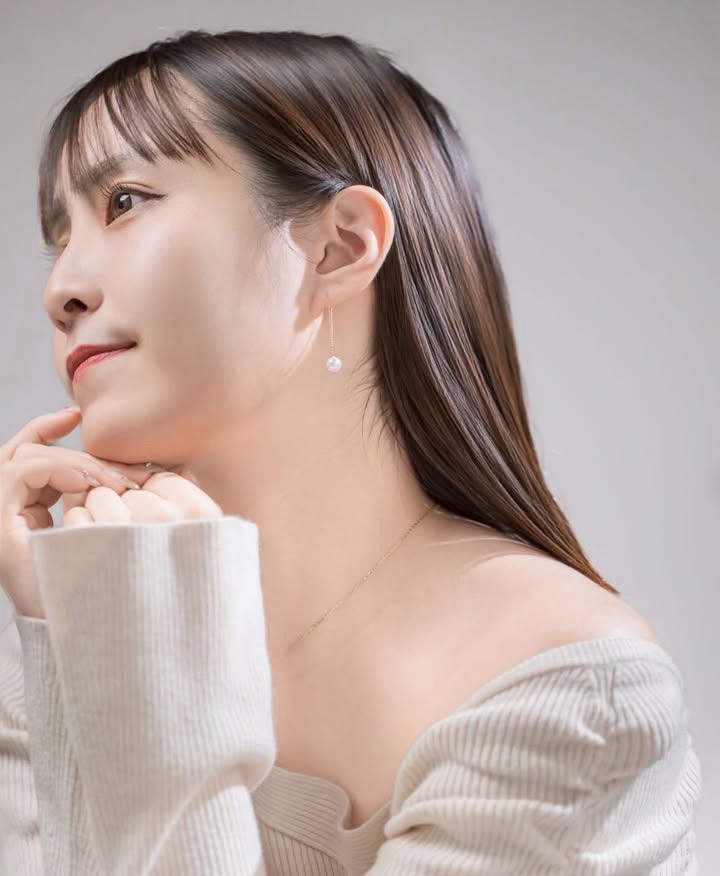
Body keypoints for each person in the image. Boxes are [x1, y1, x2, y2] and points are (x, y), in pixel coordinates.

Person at [0, 28, 702, 874]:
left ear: (340, 247)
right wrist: (62, 641)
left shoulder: (567, 689)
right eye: (60, 238)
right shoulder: (97, 620)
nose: (60, 290)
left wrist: (150, 697)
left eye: (124, 201)